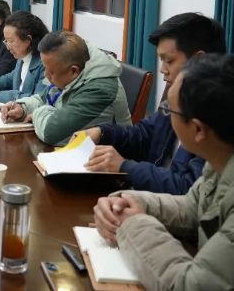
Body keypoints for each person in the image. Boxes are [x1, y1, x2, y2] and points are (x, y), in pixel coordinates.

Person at [92, 54, 234, 291]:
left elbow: (191, 286)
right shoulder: (226, 154)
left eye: (169, 110)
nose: (165, 115)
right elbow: (192, 207)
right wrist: (129, 202)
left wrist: (132, 224)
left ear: (198, 129)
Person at [77, 13, 225, 194]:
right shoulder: (176, 97)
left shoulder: (220, 119)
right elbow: (145, 135)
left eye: (169, 60)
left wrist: (125, 167)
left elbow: (189, 190)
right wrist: (103, 133)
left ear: (198, 60)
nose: (162, 69)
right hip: (147, 196)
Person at [1, 30, 131, 146]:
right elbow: (45, 97)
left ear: (73, 71)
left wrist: (36, 114)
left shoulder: (99, 89)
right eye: (45, 68)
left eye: (51, 72)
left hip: (109, 161)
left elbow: (51, 133)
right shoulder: (69, 68)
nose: (45, 75)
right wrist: (23, 108)